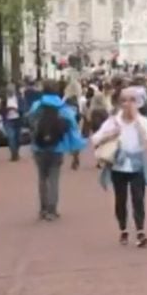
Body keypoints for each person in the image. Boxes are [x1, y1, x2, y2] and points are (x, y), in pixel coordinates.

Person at [92, 88, 147, 248]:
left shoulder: (143, 121)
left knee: (138, 198)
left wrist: (136, 121)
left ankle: (140, 231)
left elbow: (145, 140)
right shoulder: (113, 121)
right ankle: (123, 229)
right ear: (120, 103)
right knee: (120, 199)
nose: (128, 104)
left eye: (132, 100)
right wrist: (110, 135)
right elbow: (95, 139)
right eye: (125, 100)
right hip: (118, 165)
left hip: (137, 164)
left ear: (138, 103)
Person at [28, 81, 86, 221]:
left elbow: (30, 122)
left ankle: (43, 209)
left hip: (39, 147)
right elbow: (73, 127)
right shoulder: (63, 107)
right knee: (54, 178)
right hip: (57, 147)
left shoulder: (36, 106)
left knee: (42, 177)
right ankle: (52, 210)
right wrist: (75, 149)